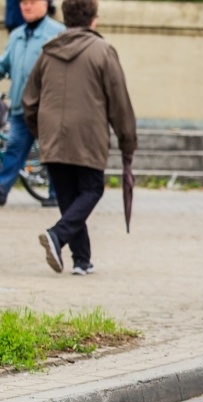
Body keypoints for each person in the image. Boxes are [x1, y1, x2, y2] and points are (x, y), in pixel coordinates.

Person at [23, 0, 135, 276]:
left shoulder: (47, 53)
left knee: (68, 196)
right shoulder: (103, 51)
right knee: (91, 190)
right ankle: (57, 235)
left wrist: (42, 132)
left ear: (65, 17)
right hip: (88, 136)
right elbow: (119, 103)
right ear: (93, 19)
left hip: (53, 137)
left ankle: (81, 260)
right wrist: (127, 142)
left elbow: (29, 102)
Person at [0, 0, 63, 207]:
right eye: (23, 3)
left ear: (45, 4)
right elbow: (4, 64)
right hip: (20, 107)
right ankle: (1, 190)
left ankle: (56, 194)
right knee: (14, 150)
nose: (27, 7)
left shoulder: (57, 33)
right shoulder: (17, 35)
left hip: (47, 108)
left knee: (51, 153)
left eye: (32, 2)